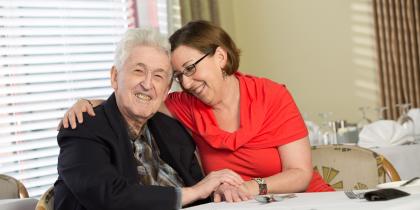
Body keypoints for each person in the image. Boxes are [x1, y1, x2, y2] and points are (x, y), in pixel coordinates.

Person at [62, 20, 334, 203]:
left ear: (220, 57)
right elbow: (141, 99)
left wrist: (250, 188)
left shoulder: (270, 95)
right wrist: (91, 102)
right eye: (180, 76)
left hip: (303, 200)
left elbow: (300, 173)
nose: (188, 83)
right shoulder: (186, 105)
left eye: (190, 68)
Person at [54, 28, 245, 210]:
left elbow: (201, 194)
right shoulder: (82, 128)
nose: (147, 84)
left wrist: (218, 190)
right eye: (138, 71)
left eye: (158, 75)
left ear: (166, 91)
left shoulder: (172, 130)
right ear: (115, 77)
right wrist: (193, 192)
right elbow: (109, 197)